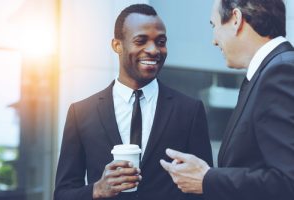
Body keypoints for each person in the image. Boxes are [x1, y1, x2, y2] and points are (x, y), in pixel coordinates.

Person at [54, 4, 213, 200]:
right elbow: (63, 194)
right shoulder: (81, 113)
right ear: (117, 45)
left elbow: (205, 189)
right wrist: (97, 190)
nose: (154, 50)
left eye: (161, 41)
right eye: (141, 41)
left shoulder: (189, 110)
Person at [160, 0, 294, 200]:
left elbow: (288, 181)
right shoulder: (270, 71)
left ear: (236, 19)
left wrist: (207, 179)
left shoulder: (279, 73)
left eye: (214, 26)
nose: (214, 41)